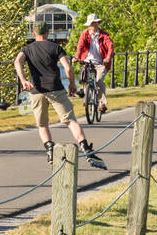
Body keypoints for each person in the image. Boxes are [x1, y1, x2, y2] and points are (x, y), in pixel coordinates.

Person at [16, 25, 106, 169]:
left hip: (36, 90)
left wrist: (23, 80)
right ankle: (86, 149)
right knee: (70, 120)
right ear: (48, 32)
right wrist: (72, 84)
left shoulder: (27, 49)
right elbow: (68, 68)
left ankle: (50, 150)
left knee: (42, 124)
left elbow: (17, 62)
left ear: (34, 33)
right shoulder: (55, 47)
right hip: (55, 88)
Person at [74, 15, 114, 115]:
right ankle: (86, 97)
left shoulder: (104, 35)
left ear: (97, 23)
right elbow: (80, 45)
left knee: (99, 81)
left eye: (93, 23)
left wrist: (108, 57)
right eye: (90, 24)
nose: (91, 26)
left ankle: (102, 103)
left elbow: (110, 46)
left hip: (101, 62)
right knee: (84, 78)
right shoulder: (85, 34)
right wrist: (77, 57)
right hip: (87, 61)